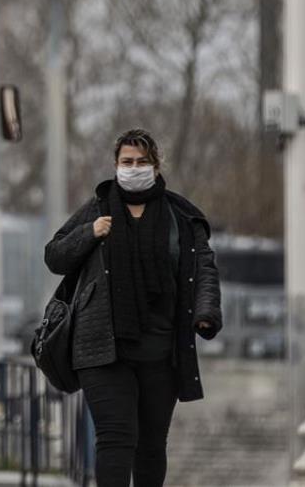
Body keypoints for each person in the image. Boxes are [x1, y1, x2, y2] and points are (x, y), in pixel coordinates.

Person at [44, 128, 222, 486]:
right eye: (127, 162)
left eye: (142, 162)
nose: (134, 167)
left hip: (162, 351)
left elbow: (204, 267)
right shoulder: (97, 209)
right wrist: (89, 233)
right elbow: (55, 256)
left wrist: (206, 313)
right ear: (115, 165)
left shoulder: (180, 217)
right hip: (102, 349)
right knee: (115, 438)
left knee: (152, 445)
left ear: (156, 166)